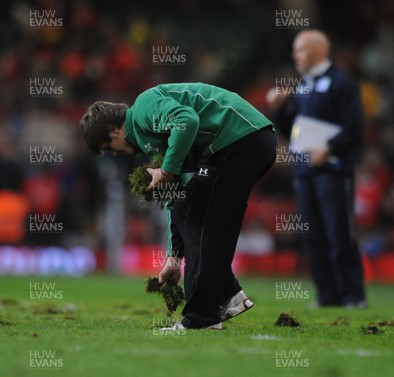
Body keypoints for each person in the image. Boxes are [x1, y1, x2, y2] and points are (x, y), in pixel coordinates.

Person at [80, 82, 277, 329]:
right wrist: (173, 258)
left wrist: (167, 169)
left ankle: (201, 318)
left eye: (109, 148)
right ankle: (228, 296)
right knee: (196, 215)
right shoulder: (153, 139)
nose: (116, 154)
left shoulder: (144, 107)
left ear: (113, 129)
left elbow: (187, 120)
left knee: (200, 222)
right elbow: (178, 199)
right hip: (243, 143)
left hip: (240, 139)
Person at [266, 30, 366, 308]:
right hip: (305, 170)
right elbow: (290, 131)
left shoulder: (342, 83)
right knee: (313, 235)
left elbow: (356, 128)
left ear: (321, 50)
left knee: (340, 232)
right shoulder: (302, 87)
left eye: (301, 49)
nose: (295, 55)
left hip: (333, 169)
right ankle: (327, 295)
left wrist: (330, 147)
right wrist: (278, 109)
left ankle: (353, 295)